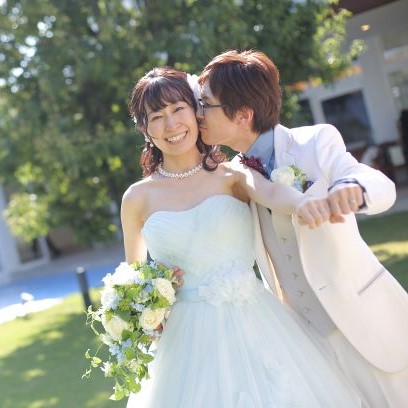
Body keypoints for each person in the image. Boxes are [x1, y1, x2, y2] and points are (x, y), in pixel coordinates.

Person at [122, 67, 362, 407]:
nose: (171, 124)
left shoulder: (233, 175)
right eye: (157, 117)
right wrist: (149, 306)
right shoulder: (136, 198)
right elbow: (133, 277)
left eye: (178, 109)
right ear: (145, 129)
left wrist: (303, 204)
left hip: (257, 322)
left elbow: (272, 193)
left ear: (196, 111)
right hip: (186, 341)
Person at [197, 49, 408, 407]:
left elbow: (376, 183)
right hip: (304, 346)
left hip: (366, 321)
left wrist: (353, 189)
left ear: (243, 114)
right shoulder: (231, 177)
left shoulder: (315, 141)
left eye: (205, 104)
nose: (197, 113)